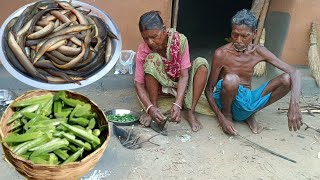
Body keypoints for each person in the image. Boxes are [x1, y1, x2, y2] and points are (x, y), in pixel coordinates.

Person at [205, 9, 302, 135]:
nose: (238, 40)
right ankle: (228, 114)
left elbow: (295, 72)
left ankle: (250, 113)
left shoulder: (258, 51)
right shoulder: (221, 54)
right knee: (231, 80)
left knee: (287, 79)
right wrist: (221, 117)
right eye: (235, 35)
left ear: (254, 34)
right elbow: (208, 90)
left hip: (246, 99)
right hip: (226, 100)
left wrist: (294, 104)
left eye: (245, 36)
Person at [134, 10, 209, 132]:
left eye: (154, 37)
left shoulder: (180, 41)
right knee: (151, 59)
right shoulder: (143, 49)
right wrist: (149, 108)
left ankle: (190, 111)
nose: (150, 42)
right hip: (161, 87)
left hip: (180, 82)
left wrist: (178, 104)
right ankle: (154, 108)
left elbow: (184, 76)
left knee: (202, 64)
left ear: (163, 29)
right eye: (145, 38)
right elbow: (139, 83)